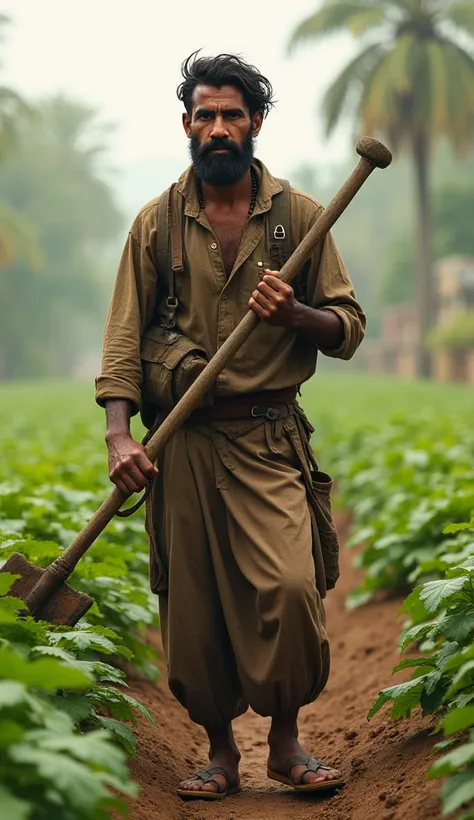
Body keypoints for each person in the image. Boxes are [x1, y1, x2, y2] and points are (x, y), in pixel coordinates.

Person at [95, 51, 366, 801]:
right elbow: (124, 341)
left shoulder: (302, 218)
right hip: (181, 443)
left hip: (268, 437)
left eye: (232, 115)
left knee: (287, 587)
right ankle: (219, 753)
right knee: (195, 610)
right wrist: (122, 435)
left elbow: (347, 327)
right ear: (187, 124)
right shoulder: (156, 223)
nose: (218, 128)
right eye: (205, 115)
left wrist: (297, 313)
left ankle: (285, 741)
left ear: (255, 124)